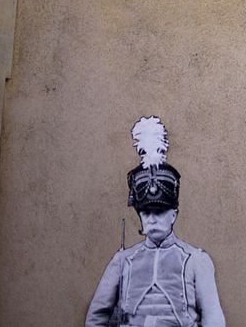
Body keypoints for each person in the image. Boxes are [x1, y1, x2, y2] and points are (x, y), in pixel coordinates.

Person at [85, 117, 226, 327]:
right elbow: (96, 318)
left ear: (174, 214)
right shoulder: (123, 261)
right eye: (146, 212)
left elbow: (213, 320)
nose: (152, 219)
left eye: (159, 211)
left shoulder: (197, 261)